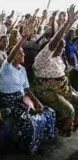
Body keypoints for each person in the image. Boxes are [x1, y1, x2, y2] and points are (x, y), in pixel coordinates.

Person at [0, 15, 55, 154]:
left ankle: (41, 141)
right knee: (30, 122)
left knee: (48, 112)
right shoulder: (6, 68)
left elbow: (26, 89)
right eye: (19, 53)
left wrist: (37, 102)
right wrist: (24, 37)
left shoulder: (23, 69)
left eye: (22, 52)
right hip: (10, 101)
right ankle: (28, 147)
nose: (22, 54)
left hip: (23, 99)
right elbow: (10, 56)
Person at [33, 5, 78, 136]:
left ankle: (72, 124)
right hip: (47, 90)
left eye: (64, 46)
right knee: (69, 109)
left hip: (62, 87)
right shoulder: (43, 57)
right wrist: (66, 24)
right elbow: (54, 41)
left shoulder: (58, 58)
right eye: (61, 46)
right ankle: (63, 129)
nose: (63, 49)